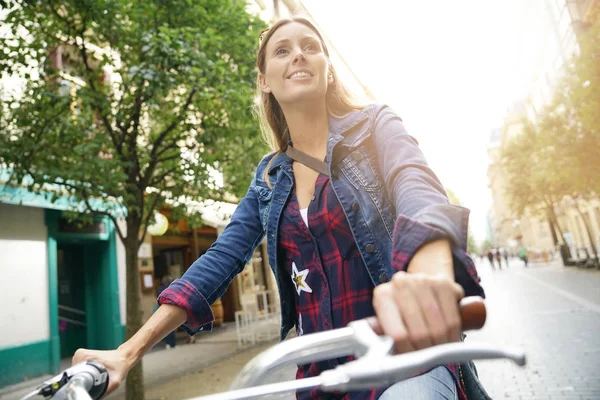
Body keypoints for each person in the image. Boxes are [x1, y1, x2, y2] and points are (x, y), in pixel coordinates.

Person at [73, 17, 489, 400]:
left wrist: (430, 280)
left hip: (405, 362)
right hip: (324, 377)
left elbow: (418, 187)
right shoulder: (269, 177)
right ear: (265, 80)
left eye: (310, 45)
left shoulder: (376, 126)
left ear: (328, 70)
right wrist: (127, 353)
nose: (299, 54)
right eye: (282, 50)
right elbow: (221, 258)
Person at [156, 276, 176, 349]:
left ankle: (168, 343)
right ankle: (172, 344)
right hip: (171, 309)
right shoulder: (171, 288)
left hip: (162, 309)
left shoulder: (160, 289)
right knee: (172, 327)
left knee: (166, 327)